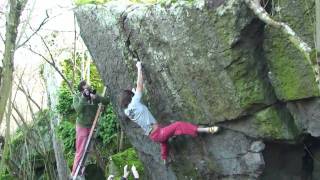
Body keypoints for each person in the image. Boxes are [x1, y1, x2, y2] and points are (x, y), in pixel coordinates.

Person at [120, 62, 220, 165]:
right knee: (178, 125)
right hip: (158, 133)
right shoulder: (135, 102)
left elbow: (137, 106)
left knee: (164, 142)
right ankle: (205, 129)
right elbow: (139, 85)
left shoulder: (127, 112)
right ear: (131, 98)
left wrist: (134, 93)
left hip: (153, 136)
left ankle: (164, 159)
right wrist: (139, 68)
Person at [71, 80, 109, 177]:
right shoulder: (77, 97)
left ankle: (82, 170)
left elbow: (106, 101)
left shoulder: (93, 94)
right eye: (86, 88)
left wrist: (97, 97)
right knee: (80, 150)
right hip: (82, 126)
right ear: (82, 90)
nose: (89, 88)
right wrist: (84, 98)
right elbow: (78, 110)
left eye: (88, 87)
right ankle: (74, 173)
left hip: (92, 126)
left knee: (89, 148)